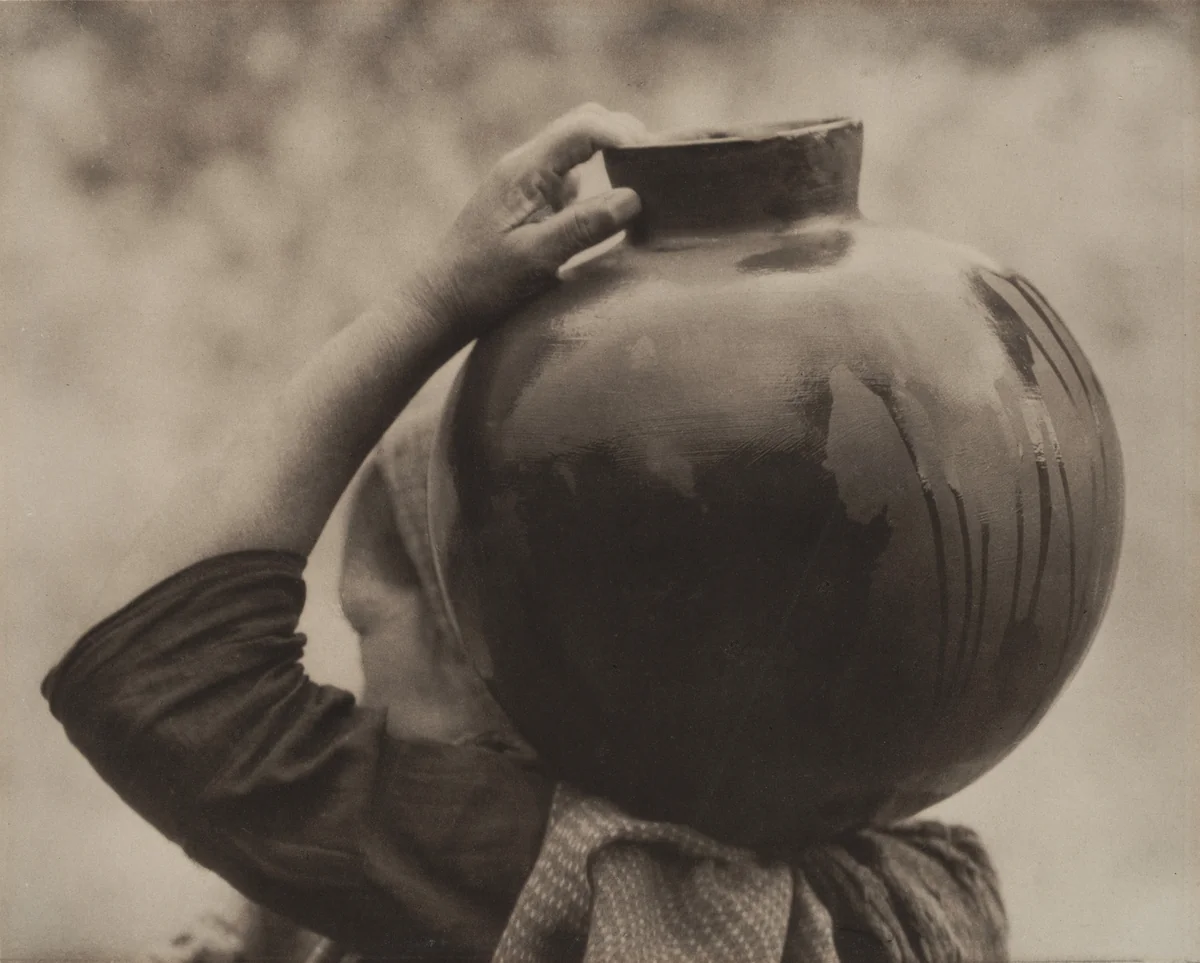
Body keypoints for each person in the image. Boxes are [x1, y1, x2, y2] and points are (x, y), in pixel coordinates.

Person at [45, 104, 1008, 963]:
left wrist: (432, 304)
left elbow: (149, 670)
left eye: (375, 621)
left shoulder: (546, 878)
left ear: (506, 664)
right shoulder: (914, 879)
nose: (354, 693)